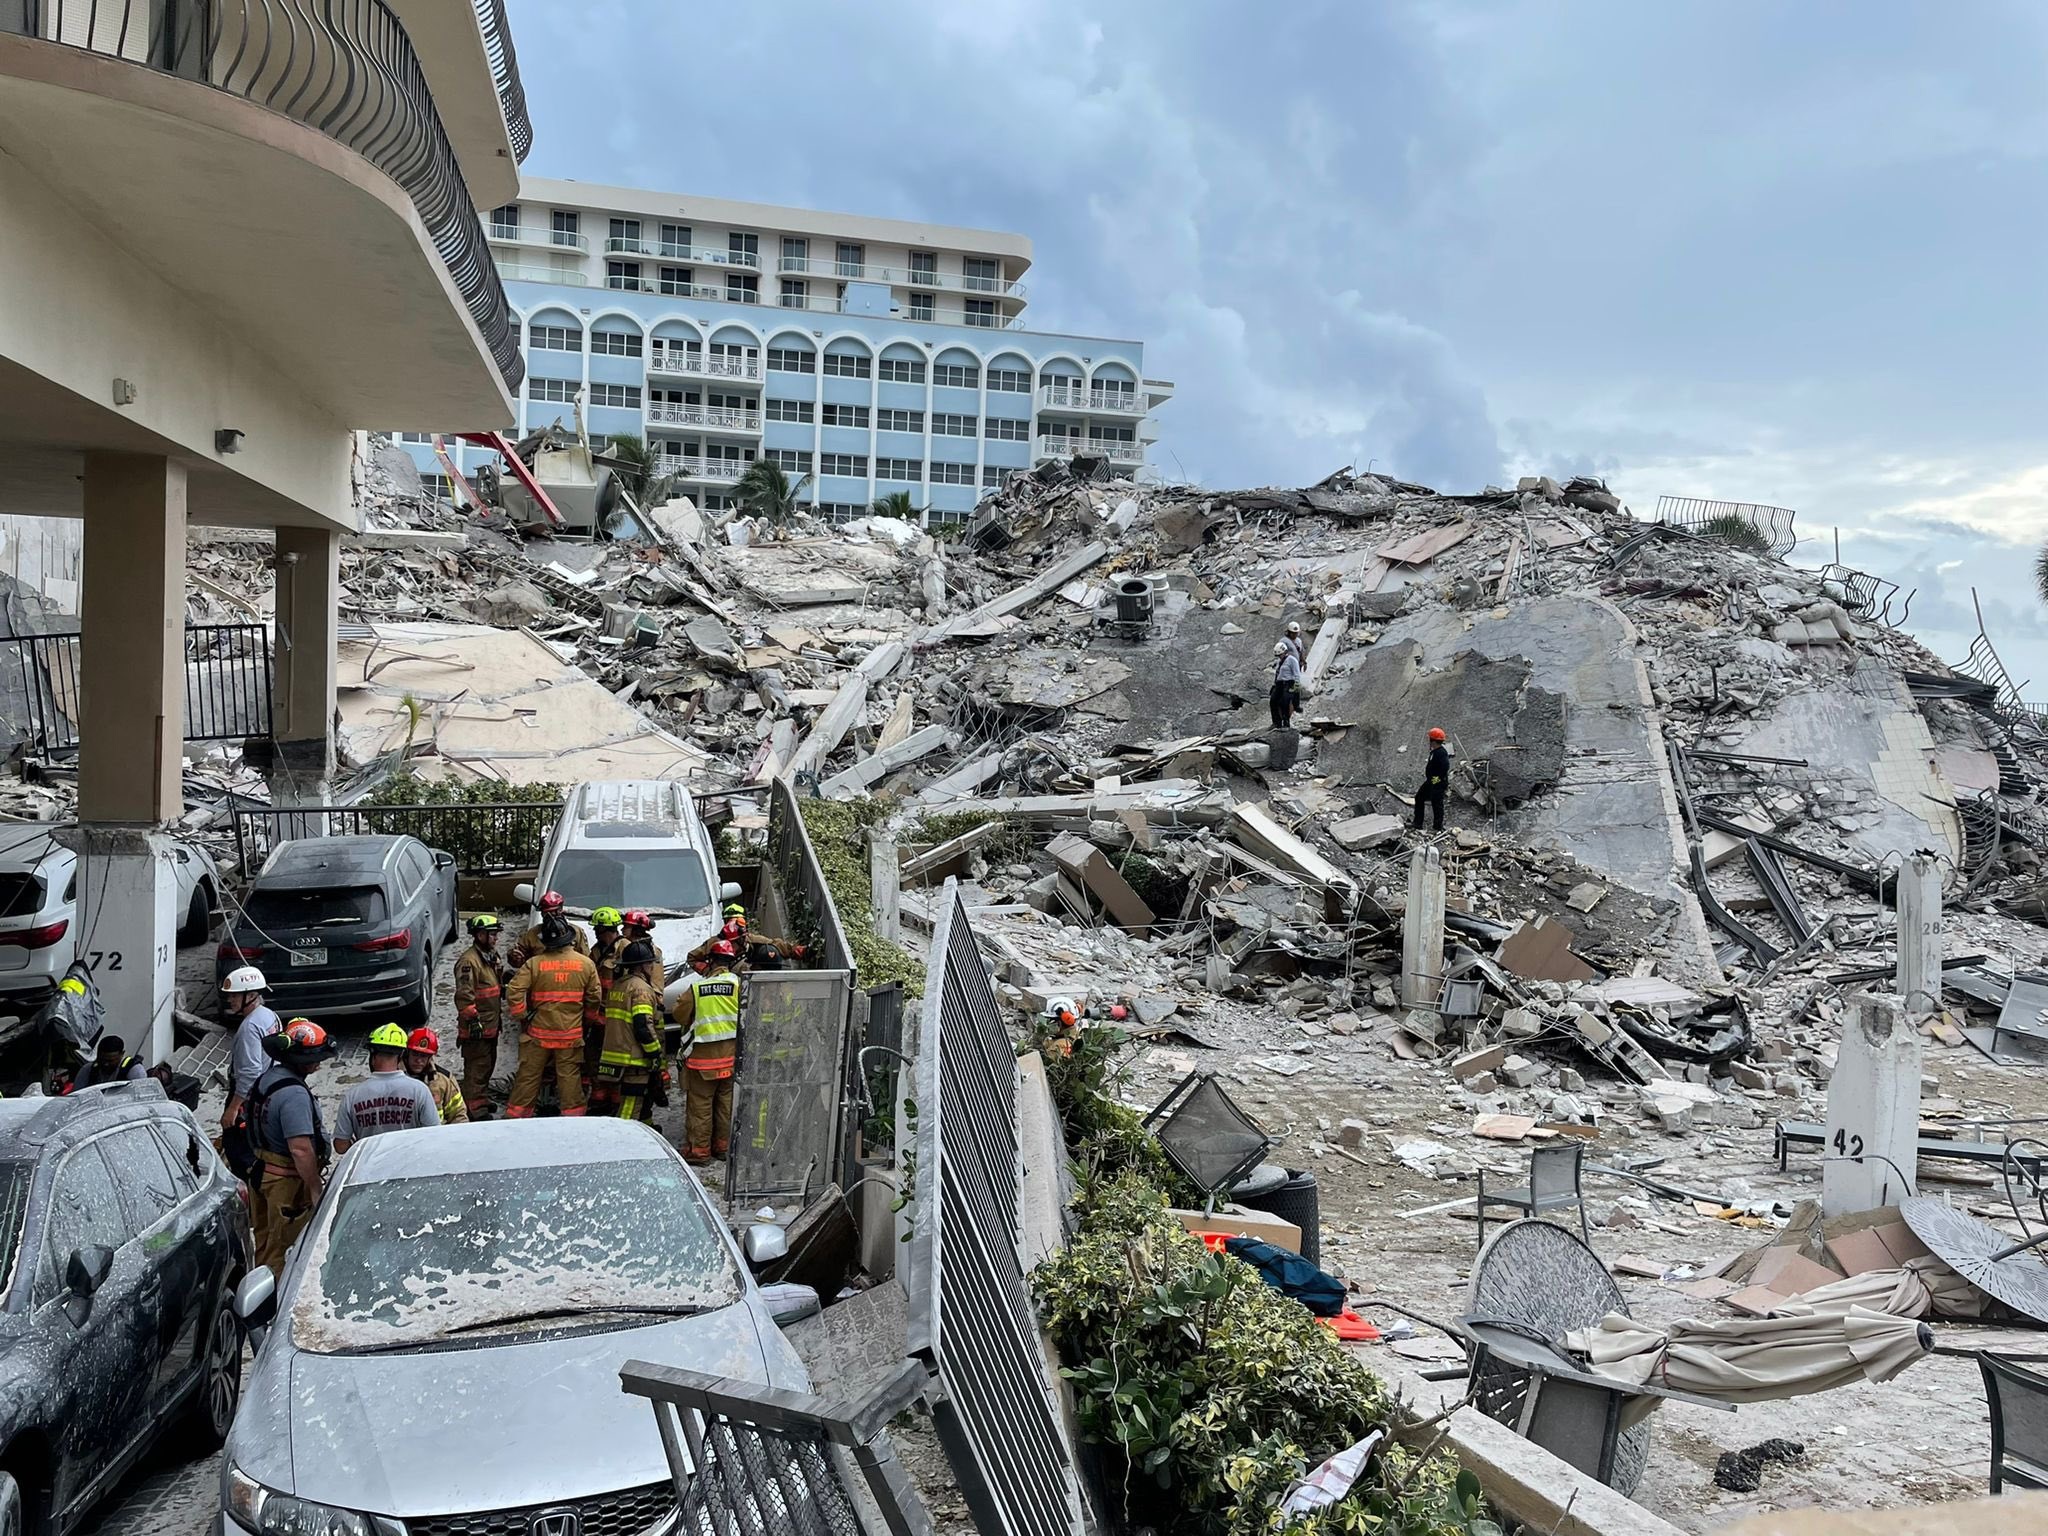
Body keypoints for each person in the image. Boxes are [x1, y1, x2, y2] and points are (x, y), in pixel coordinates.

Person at [249, 1019, 338, 1276]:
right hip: (285, 1186)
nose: (319, 1063)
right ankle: (276, 1307)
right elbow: (300, 1148)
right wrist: (314, 1188)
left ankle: (258, 1297)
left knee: (265, 1245)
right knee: (284, 1251)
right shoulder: (294, 1095)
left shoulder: (267, 1080)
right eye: (316, 1057)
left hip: (262, 1174)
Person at [505, 912, 602, 1118]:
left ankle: (516, 1118)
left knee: (528, 1078)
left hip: (539, 1036)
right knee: (570, 1079)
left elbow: (514, 990)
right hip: (570, 1035)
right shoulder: (585, 964)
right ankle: (573, 1120)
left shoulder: (535, 964)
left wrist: (521, 1015)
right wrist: (589, 1020)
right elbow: (594, 997)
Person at [670, 940, 741, 1165]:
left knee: (700, 1105)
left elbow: (679, 1014)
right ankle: (723, 1146)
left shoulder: (698, 989)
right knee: (725, 1103)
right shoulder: (740, 985)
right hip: (731, 1059)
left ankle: (699, 1151)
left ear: (710, 961)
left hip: (703, 1062)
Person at [333, 1024, 441, 1154]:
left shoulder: (352, 1096)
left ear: (373, 1055)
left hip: (370, 1170)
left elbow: (340, 1146)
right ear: (401, 1055)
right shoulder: (419, 1090)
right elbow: (435, 1135)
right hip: (409, 1166)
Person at [591, 938, 665, 1121]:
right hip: (635, 1061)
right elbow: (643, 1026)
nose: (652, 967)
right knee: (630, 1111)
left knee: (643, 1106)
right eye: (650, 963)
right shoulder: (641, 990)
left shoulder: (619, 985)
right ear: (641, 966)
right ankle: (623, 1142)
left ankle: (648, 1133)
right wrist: (655, 1055)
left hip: (616, 1058)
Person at [452, 914, 509, 1118]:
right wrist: (472, 1021)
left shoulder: (490, 956)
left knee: (487, 1064)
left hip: (490, 1024)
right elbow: (464, 996)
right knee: (476, 1068)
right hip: (477, 1027)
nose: (496, 938)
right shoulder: (469, 962)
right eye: (492, 934)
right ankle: (475, 1109)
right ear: (480, 935)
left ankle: (481, 1099)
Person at [220, 965, 280, 1134]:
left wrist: (233, 1108)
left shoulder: (249, 1028)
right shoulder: (269, 1015)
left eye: (235, 995)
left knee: (237, 1144)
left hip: (249, 1096)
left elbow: (250, 1072)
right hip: (267, 1087)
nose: (230, 1000)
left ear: (251, 995)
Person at [508, 889, 591, 967]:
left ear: (561, 910)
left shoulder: (576, 932)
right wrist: (515, 957)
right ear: (542, 914)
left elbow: (586, 961)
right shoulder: (532, 934)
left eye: (555, 911)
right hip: (542, 977)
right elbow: (518, 960)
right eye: (547, 913)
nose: (552, 916)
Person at [404, 1028, 469, 1125]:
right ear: (407, 1053)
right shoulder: (394, 1078)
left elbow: (458, 1115)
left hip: (436, 1136)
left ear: (430, 1057)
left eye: (423, 1056)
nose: (419, 1060)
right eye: (415, 1054)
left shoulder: (444, 1080)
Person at [1414, 726, 1451, 832]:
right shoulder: (1435, 751)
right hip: (1432, 781)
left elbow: (1444, 769)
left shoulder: (1441, 753)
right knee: (1419, 797)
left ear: (1433, 741)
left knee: (1437, 803)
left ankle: (1437, 827)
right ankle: (1417, 823)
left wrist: (1434, 781)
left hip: (1437, 782)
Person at [73, 1035, 144, 1088]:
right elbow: (76, 1095)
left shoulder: (135, 1071)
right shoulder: (88, 1070)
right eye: (101, 1060)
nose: (106, 1064)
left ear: (122, 1054)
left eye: (111, 1061)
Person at [1270, 641, 1302, 729]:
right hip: (1279, 684)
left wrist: (1296, 686)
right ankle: (1276, 722)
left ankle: (1286, 722)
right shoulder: (1279, 662)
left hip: (1288, 683)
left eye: (1281, 654)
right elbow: (1278, 674)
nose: (1280, 656)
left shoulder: (1292, 660)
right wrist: (1274, 684)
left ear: (1285, 652)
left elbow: (1297, 674)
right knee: (1273, 701)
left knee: (1285, 702)